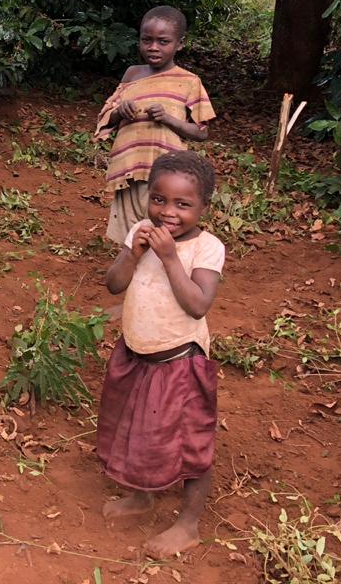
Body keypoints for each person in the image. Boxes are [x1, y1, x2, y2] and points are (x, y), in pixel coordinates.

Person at [96, 151, 224, 559]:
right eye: (158, 199)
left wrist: (169, 257)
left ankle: (188, 524)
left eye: (183, 204)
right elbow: (114, 284)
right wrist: (133, 253)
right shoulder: (140, 231)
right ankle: (142, 496)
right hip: (137, 354)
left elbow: (198, 303)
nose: (168, 212)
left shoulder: (207, 248)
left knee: (190, 443)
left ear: (204, 207)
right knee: (136, 426)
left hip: (179, 363)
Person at [94, 6, 214, 244]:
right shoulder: (132, 74)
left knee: (163, 228)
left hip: (166, 173)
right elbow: (105, 118)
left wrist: (167, 118)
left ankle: (164, 272)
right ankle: (132, 274)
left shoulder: (189, 81)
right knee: (130, 234)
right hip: (129, 168)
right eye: (146, 40)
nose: (153, 47)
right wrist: (121, 111)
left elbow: (201, 132)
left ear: (179, 44)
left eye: (163, 41)